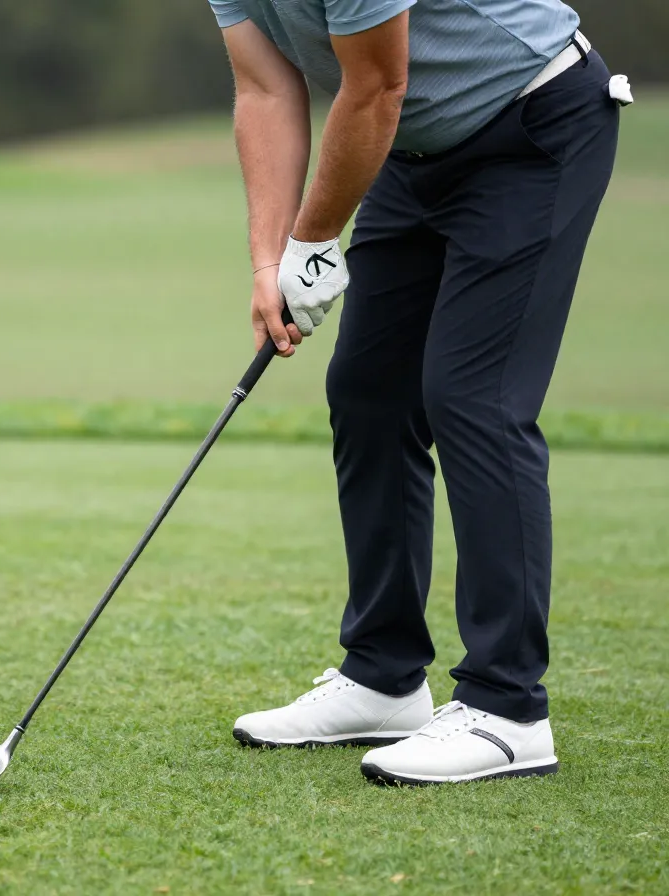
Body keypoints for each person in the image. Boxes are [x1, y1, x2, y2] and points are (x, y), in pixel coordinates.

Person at [209, 0, 631, 784]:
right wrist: (273, 262)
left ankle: (509, 709)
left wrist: (315, 237)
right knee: (371, 392)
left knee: (473, 395)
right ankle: (384, 675)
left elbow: (375, 86)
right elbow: (266, 91)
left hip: (530, 123)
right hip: (409, 149)